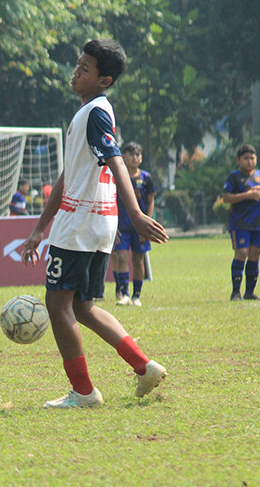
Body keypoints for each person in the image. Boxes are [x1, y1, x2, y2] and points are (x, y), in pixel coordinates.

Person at [22, 38, 169, 409]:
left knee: (58, 306)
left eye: (85, 68)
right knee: (83, 307)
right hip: (97, 223)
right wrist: (40, 228)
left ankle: (84, 392)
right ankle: (143, 365)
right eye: (78, 64)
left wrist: (136, 214)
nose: (76, 71)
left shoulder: (96, 113)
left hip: (81, 222)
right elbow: (67, 176)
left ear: (104, 80)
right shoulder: (89, 112)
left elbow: (117, 160)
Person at [221, 143, 260, 301]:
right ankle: (235, 292)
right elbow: (226, 198)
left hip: (257, 223)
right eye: (246, 158)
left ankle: (250, 292)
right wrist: (247, 195)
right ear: (238, 160)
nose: (250, 161)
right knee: (242, 253)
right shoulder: (234, 177)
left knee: (255, 254)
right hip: (239, 222)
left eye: (252, 158)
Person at [111, 142, 156, 307]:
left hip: (139, 227)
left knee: (138, 260)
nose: (135, 157)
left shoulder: (146, 178)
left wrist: (147, 224)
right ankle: (124, 294)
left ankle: (137, 295)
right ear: (123, 157)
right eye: (131, 154)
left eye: (138, 154)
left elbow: (150, 201)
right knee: (121, 256)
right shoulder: (117, 177)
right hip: (122, 224)